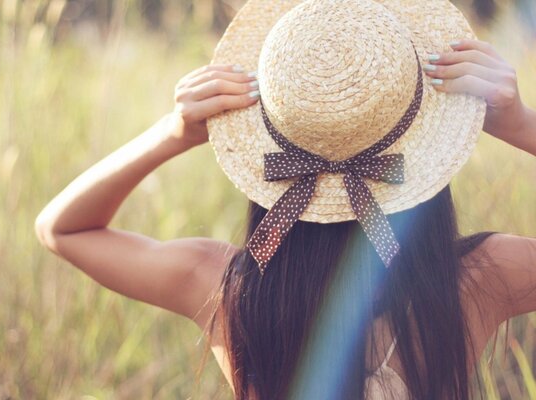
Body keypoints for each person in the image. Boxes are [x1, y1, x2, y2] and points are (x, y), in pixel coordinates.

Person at [35, 0, 536, 399]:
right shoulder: (477, 281)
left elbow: (62, 230)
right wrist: (520, 125)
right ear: (426, 157)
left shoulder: (226, 288)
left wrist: (172, 134)